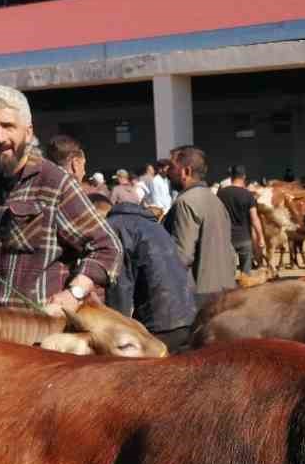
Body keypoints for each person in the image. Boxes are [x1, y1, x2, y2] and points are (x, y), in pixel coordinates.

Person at [0, 85, 119, 310]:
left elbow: (108, 248)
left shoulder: (53, 182)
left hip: (44, 331)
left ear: (28, 132)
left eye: (8, 126)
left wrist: (74, 294)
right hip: (2, 328)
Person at [92, 193, 197, 351]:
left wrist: (116, 330)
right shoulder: (152, 225)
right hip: (187, 315)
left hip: (159, 321)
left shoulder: (115, 227)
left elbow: (121, 287)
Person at [162, 143, 235, 302]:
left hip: (200, 297)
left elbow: (182, 257)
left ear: (185, 171)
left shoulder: (185, 202)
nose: (167, 171)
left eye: (171, 167)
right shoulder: (215, 201)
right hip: (226, 292)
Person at [217, 166, 263, 273]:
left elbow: (217, 216)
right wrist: (260, 237)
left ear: (231, 176)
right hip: (245, 239)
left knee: (228, 275)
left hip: (227, 239)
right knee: (246, 275)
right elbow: (254, 218)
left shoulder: (221, 194)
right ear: (244, 177)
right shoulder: (248, 195)